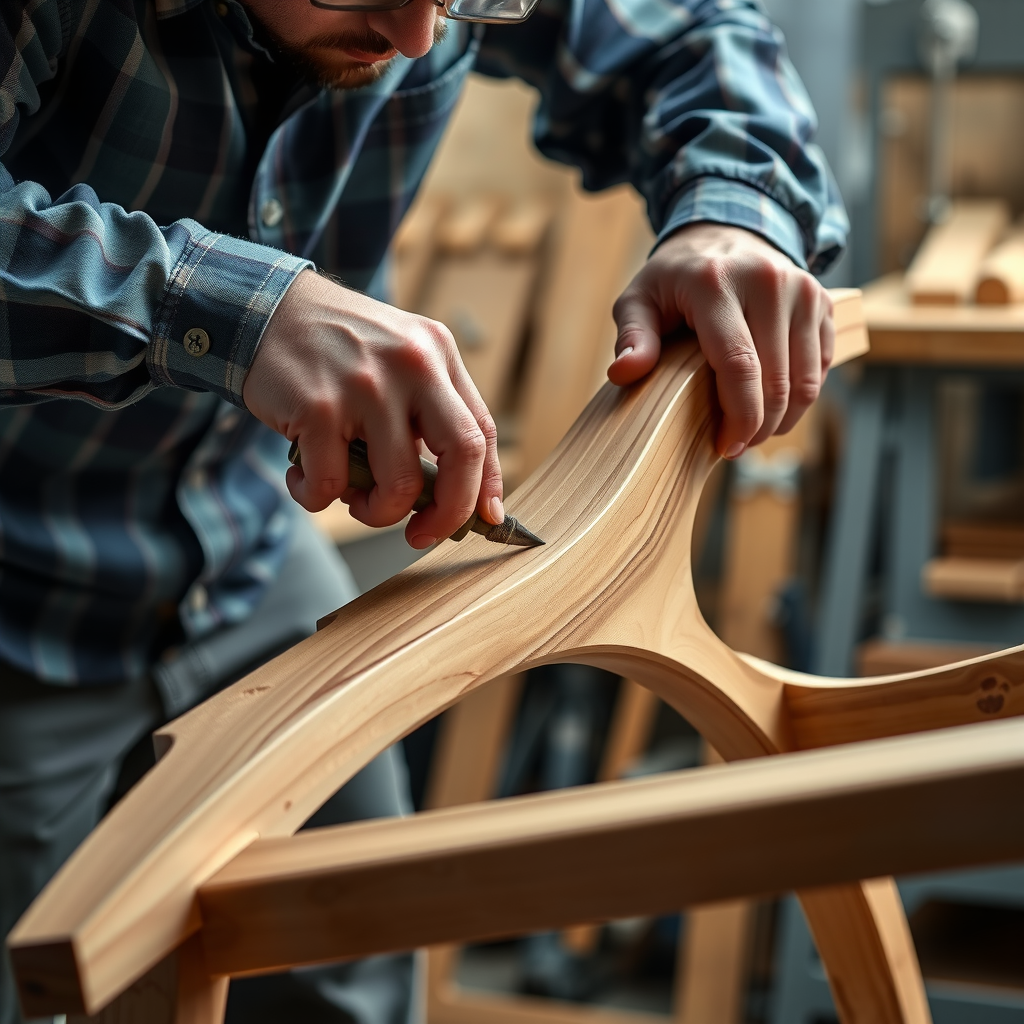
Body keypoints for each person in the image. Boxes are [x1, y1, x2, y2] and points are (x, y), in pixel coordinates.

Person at [0, 0, 847, 1021]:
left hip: (241, 546)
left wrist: (732, 211)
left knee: (352, 964)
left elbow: (689, 31)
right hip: (18, 588)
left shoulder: (416, 10)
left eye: (460, 0)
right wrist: (212, 304)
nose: (415, 37)